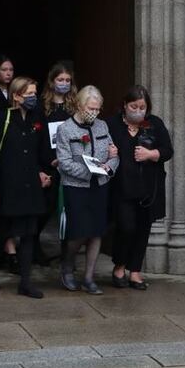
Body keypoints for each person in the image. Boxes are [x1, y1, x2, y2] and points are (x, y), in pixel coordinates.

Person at [0, 76, 52, 298]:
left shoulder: (37, 119)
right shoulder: (1, 120)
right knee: (0, 233)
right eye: (28, 94)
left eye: (34, 93)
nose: (33, 98)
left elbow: (43, 153)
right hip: (7, 187)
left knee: (29, 234)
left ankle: (25, 282)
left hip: (30, 187)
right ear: (16, 96)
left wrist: (45, 171)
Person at [108, 85, 173, 290]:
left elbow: (167, 150)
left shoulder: (154, 124)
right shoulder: (112, 125)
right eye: (134, 106)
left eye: (142, 107)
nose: (138, 110)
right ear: (125, 105)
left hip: (148, 188)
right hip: (122, 187)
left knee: (143, 229)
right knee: (126, 227)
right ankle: (119, 266)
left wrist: (151, 154)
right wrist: (108, 153)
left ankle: (135, 271)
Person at [55, 85, 118, 295]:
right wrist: (90, 172)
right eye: (91, 108)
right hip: (76, 186)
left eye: (98, 109)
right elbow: (63, 163)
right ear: (80, 105)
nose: (95, 112)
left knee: (97, 231)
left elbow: (113, 154)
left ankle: (89, 277)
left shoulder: (102, 126)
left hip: (100, 186)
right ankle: (67, 265)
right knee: (80, 231)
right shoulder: (66, 129)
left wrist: (109, 167)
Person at [36, 62, 78, 266]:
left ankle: (67, 254)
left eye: (67, 80)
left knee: (69, 210)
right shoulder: (41, 106)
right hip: (48, 166)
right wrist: (46, 161)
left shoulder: (74, 106)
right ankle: (33, 246)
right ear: (52, 81)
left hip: (70, 166)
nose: (64, 84)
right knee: (45, 208)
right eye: (60, 80)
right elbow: (37, 138)